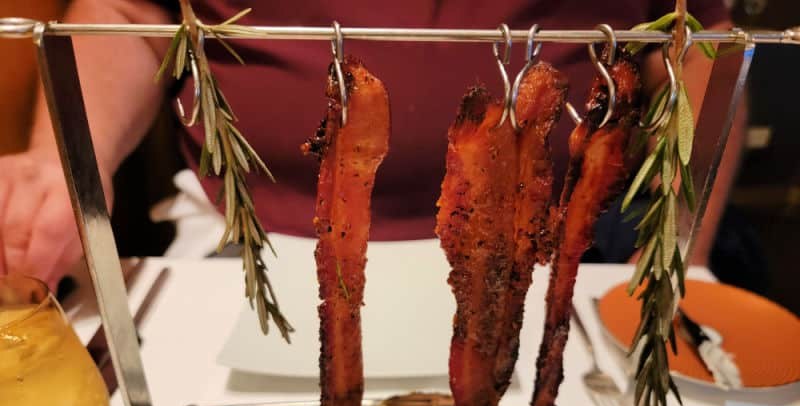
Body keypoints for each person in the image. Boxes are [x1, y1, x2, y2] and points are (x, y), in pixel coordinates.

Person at [0, 1, 738, 290]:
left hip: (554, 246)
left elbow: (697, 37)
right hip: (254, 243)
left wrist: (682, 251)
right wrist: (66, 161)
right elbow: (131, 9)